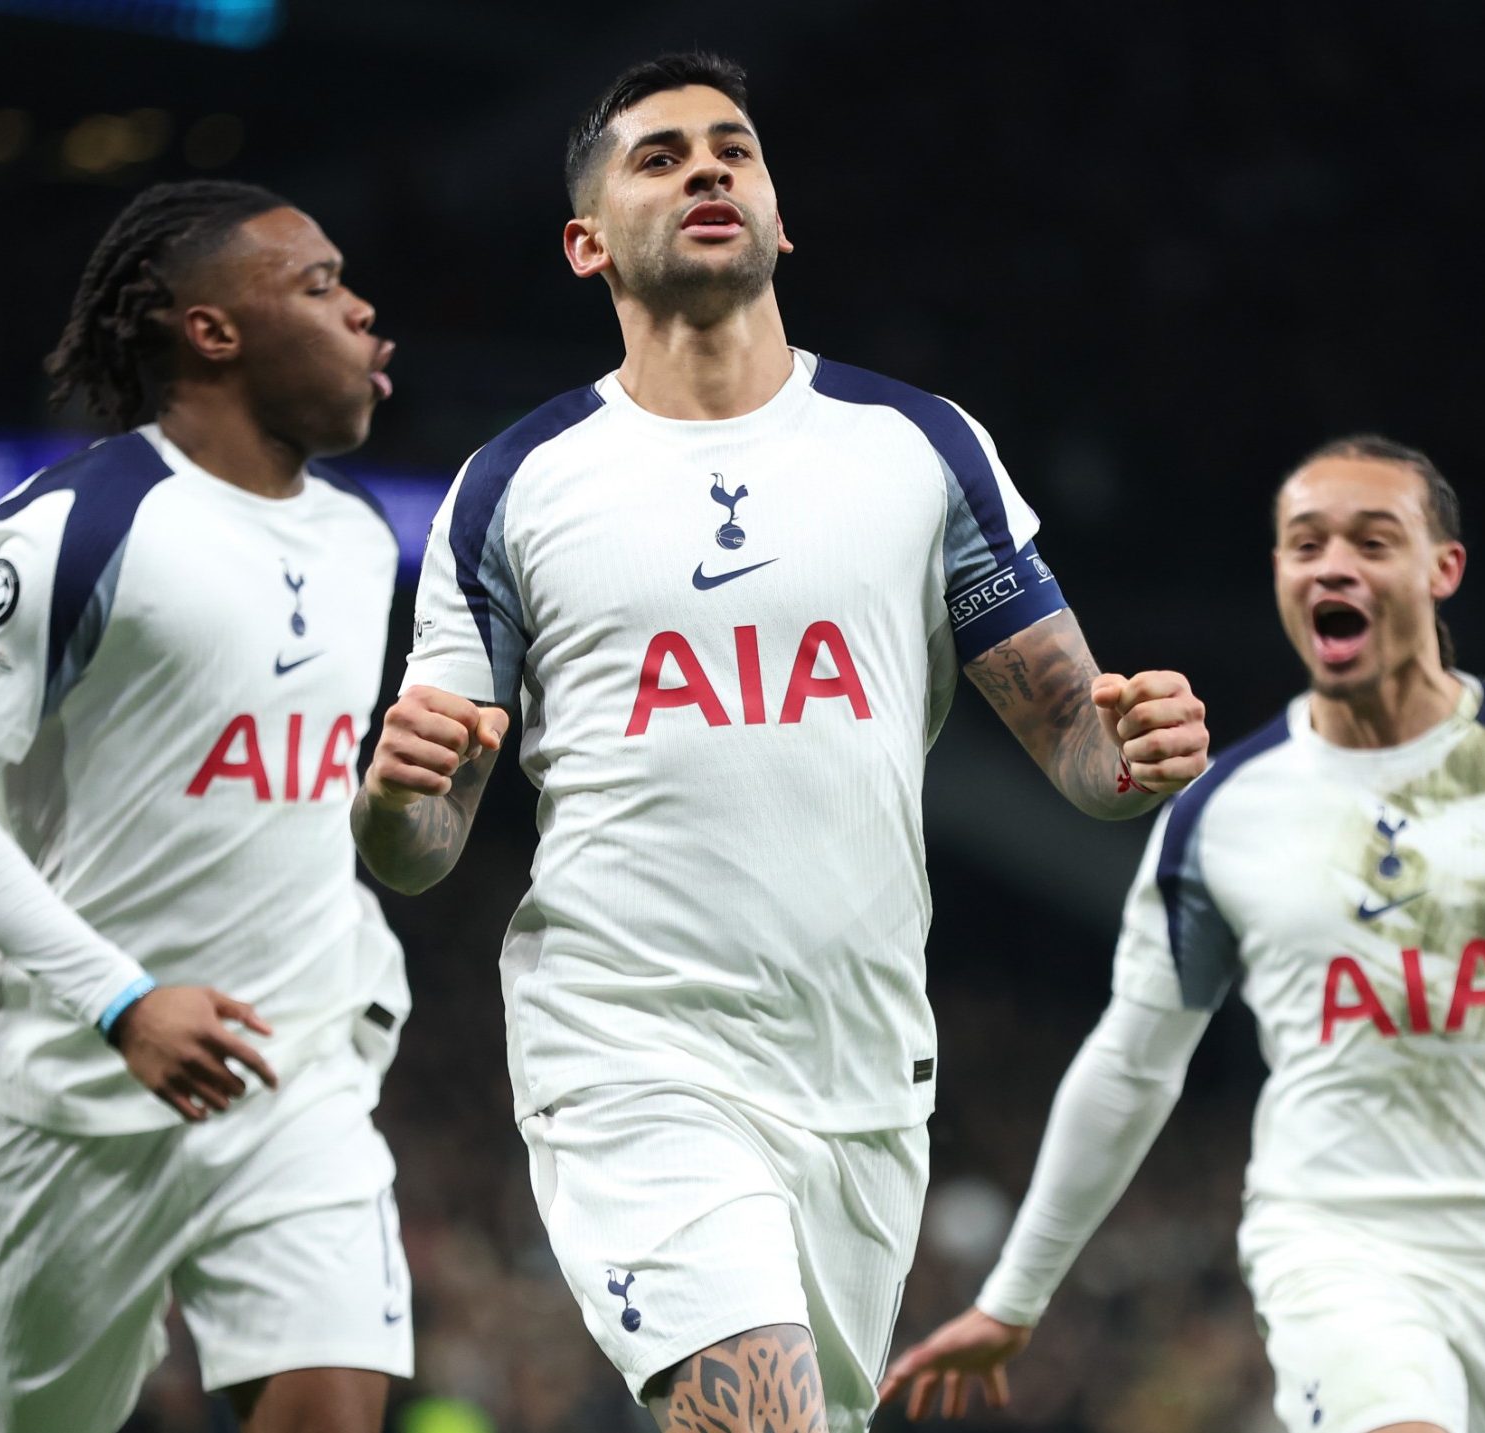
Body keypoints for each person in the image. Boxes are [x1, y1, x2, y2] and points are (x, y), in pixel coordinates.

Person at [349, 52, 1211, 1433]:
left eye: (732, 150)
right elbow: (418, 847)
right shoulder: (514, 485)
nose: (705, 169)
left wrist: (1131, 756)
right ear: (585, 244)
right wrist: (394, 798)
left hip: (863, 1072)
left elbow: (1074, 742)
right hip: (629, 1051)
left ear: (778, 218)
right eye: (659, 155)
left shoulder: (916, 447)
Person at [881, 435, 1485, 1433]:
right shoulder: (1224, 810)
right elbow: (1130, 1065)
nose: (1331, 562)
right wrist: (1014, 1293)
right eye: (1304, 542)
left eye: (1371, 538)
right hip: (1334, 1243)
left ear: (1443, 568)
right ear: (1279, 575)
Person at [0, 180, 411, 1433]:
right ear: (211, 329)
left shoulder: (363, 539)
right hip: (76, 1097)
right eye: (320, 284)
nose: (362, 308)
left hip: (296, 1066)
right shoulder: (81, 524)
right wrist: (119, 998)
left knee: (335, 1402)